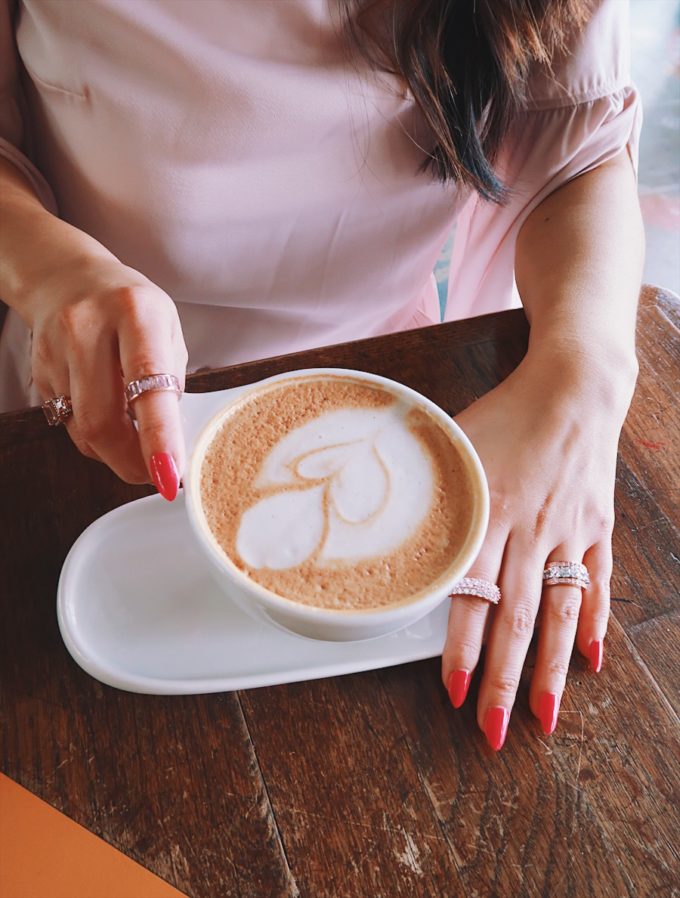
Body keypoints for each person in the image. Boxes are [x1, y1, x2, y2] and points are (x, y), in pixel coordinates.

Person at [0, 0, 643, 751]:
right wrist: (54, 270)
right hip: (76, 415)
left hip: (404, 416)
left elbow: (578, 152)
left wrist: (588, 370)